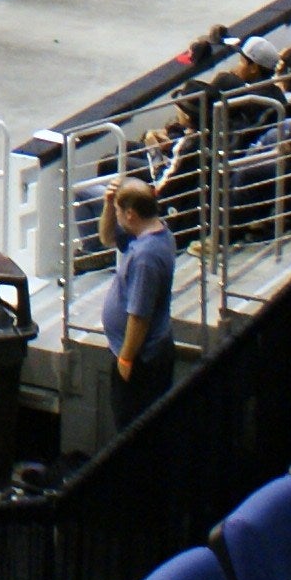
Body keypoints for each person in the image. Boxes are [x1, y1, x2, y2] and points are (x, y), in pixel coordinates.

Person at [105, 177, 178, 428]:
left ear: (130, 215)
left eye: (118, 211)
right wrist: (108, 204)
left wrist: (125, 359)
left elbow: (139, 316)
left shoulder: (146, 256)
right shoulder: (154, 232)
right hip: (142, 357)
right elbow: (106, 238)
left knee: (132, 428)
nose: (116, 216)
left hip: (142, 362)